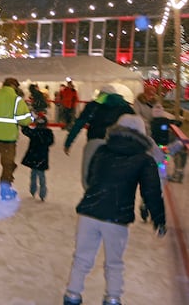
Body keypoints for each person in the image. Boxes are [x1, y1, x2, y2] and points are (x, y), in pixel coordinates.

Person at [63, 114, 167, 305]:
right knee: (114, 263)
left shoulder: (102, 150)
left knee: (81, 257)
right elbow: (151, 192)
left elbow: (91, 177)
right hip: (117, 217)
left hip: (89, 212)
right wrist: (159, 218)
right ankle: (112, 298)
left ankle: (72, 295)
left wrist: (96, 196)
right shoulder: (144, 159)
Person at [64, 84, 134, 190]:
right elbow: (136, 124)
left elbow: (79, 124)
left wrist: (68, 142)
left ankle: (92, 193)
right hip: (115, 142)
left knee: (91, 171)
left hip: (94, 141)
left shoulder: (94, 105)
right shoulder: (124, 106)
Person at [20, 113, 54, 201]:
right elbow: (50, 142)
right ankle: (41, 194)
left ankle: (33, 190)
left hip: (34, 157)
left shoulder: (35, 132)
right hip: (42, 157)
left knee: (34, 174)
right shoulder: (48, 133)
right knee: (40, 176)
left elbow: (26, 131)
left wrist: (23, 123)